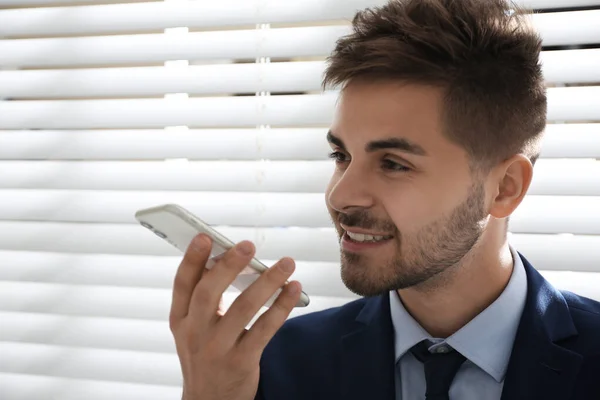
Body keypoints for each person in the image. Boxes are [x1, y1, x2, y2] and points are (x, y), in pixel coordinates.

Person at [168, 0, 600, 399]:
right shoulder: (271, 366)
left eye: (393, 163)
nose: (340, 196)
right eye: (341, 155)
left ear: (505, 188)